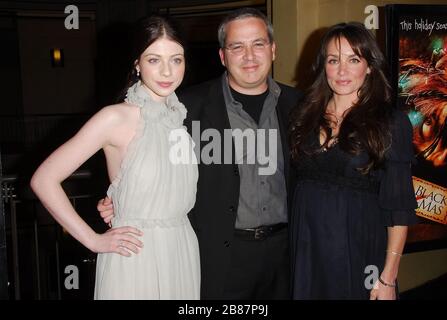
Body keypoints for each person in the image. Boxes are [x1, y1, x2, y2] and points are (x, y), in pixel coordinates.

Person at [98, 8, 303, 299]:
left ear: (273, 50)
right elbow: (148, 163)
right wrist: (119, 198)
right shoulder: (183, 109)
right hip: (218, 258)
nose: (249, 55)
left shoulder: (302, 106)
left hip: (286, 256)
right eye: (236, 46)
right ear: (222, 56)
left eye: (258, 44)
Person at [30, 16, 200, 299]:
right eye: (154, 60)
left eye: (176, 59)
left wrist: (116, 200)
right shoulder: (115, 118)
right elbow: (44, 179)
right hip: (136, 255)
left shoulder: (178, 117)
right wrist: (93, 240)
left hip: (181, 248)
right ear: (137, 63)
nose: (168, 71)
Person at [289, 22, 418, 300]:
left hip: (359, 248)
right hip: (307, 247)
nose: (342, 71)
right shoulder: (303, 114)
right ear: (324, 65)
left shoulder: (390, 123)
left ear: (369, 66)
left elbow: (398, 209)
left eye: (353, 59)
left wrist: (388, 278)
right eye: (334, 60)